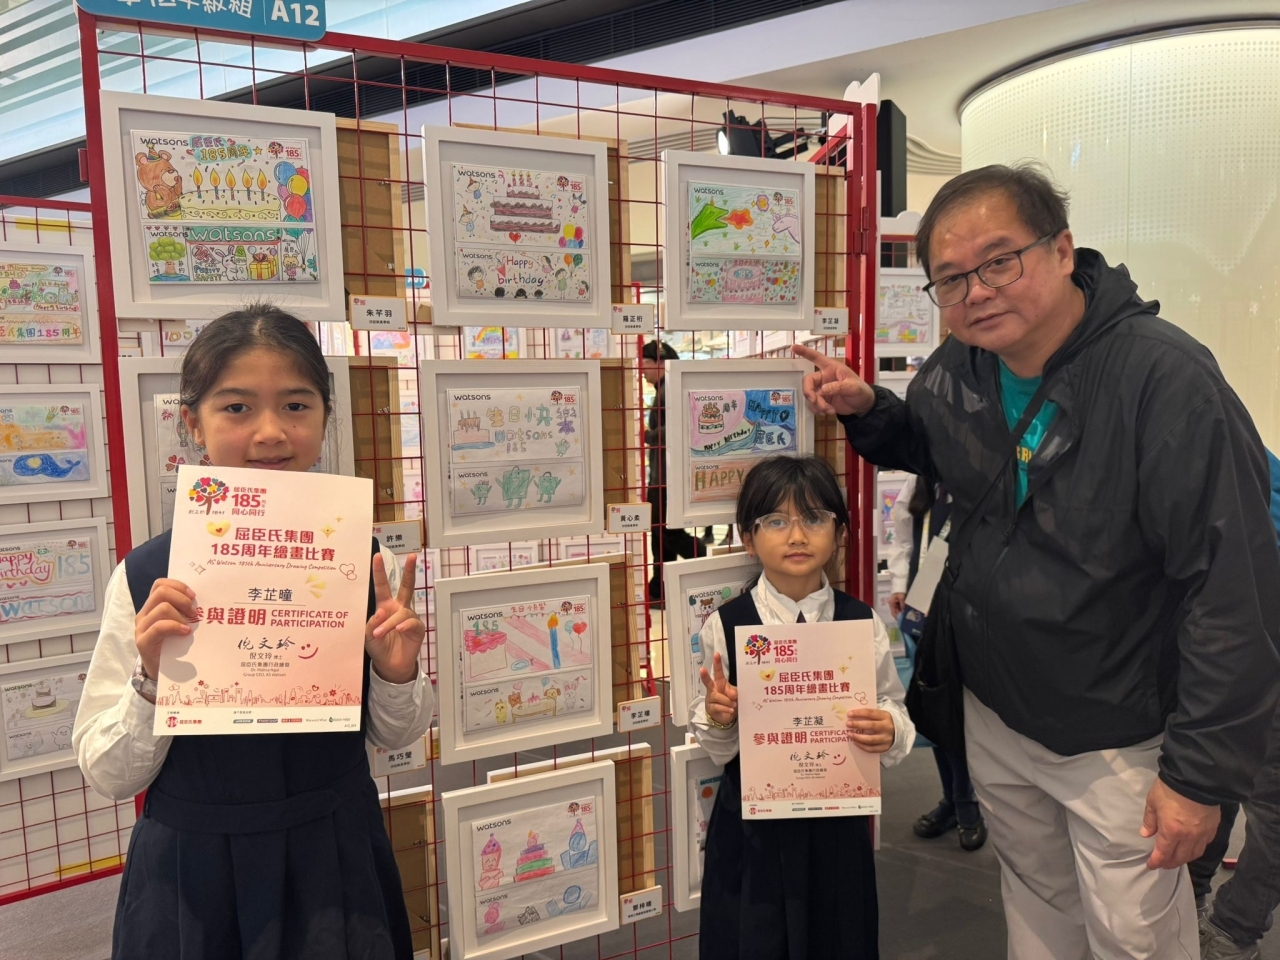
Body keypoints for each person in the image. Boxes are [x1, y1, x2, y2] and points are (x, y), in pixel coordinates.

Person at [793, 163, 1280, 959]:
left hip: (1118, 730)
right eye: (951, 279)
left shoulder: (1164, 381)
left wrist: (1198, 777)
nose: (977, 292)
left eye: (998, 260)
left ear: (1061, 249)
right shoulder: (959, 367)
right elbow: (938, 448)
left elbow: (1232, 591)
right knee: (1038, 911)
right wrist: (873, 409)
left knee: (1137, 938)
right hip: (997, 707)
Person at [73, 304, 435, 960]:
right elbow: (109, 773)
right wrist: (151, 680)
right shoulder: (148, 576)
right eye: (237, 408)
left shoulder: (362, 560)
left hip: (332, 856)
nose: (271, 433)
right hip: (194, 871)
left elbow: (398, 734)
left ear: (324, 418)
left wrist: (396, 671)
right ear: (194, 423)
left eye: (296, 405)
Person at [690, 455, 913, 959]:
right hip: (752, 827)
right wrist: (721, 716)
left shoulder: (861, 623)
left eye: (813, 518)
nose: (796, 535)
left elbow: (892, 706)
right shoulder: (727, 625)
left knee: (838, 939)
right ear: (748, 538)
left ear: (840, 533)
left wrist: (890, 730)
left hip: (837, 826)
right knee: (754, 940)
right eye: (775, 521)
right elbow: (718, 745)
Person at [1191, 447, 1280, 960]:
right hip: (1229, 653)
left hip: (1244, 651)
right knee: (1212, 783)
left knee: (1264, 804)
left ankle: (1229, 931)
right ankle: (1205, 914)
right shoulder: (1237, 452)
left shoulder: (1219, 445)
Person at [886, 474, 987, 851]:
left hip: (968, 615)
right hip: (922, 613)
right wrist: (900, 583)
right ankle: (954, 801)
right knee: (934, 708)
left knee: (961, 715)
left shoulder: (982, 476)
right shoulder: (922, 480)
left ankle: (966, 803)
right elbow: (903, 536)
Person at [641, 338, 704, 604]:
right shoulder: (665, 389)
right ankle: (660, 588)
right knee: (659, 534)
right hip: (663, 476)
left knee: (667, 533)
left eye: (644, 363)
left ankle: (702, 560)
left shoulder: (669, 390)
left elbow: (679, 428)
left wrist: (646, 435)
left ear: (660, 362)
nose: (641, 370)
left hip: (667, 478)